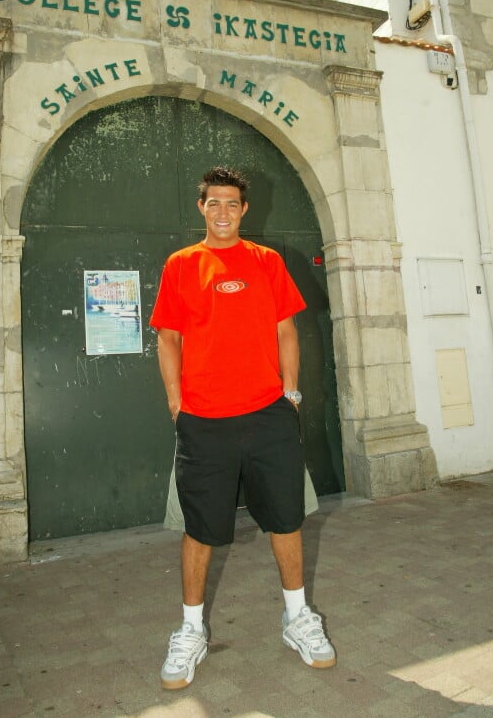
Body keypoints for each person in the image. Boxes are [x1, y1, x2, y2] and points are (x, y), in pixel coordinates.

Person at [150, 166, 336, 690]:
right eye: (214, 203)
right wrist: (176, 403)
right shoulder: (182, 265)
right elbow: (167, 338)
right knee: (199, 527)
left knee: (286, 518)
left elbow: (287, 330)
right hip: (204, 420)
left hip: (268, 414)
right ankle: (190, 631)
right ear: (201, 207)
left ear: (244, 210)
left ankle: (298, 618)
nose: (224, 211)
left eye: (232, 203)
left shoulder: (267, 262)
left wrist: (292, 393)